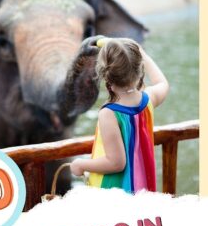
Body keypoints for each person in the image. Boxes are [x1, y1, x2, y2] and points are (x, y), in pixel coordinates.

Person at [70, 37, 169, 192]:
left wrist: (80, 165)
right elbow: (162, 83)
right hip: (141, 188)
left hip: (114, 193)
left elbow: (116, 162)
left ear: (106, 75)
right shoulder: (148, 100)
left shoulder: (109, 113)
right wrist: (141, 52)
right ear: (139, 68)